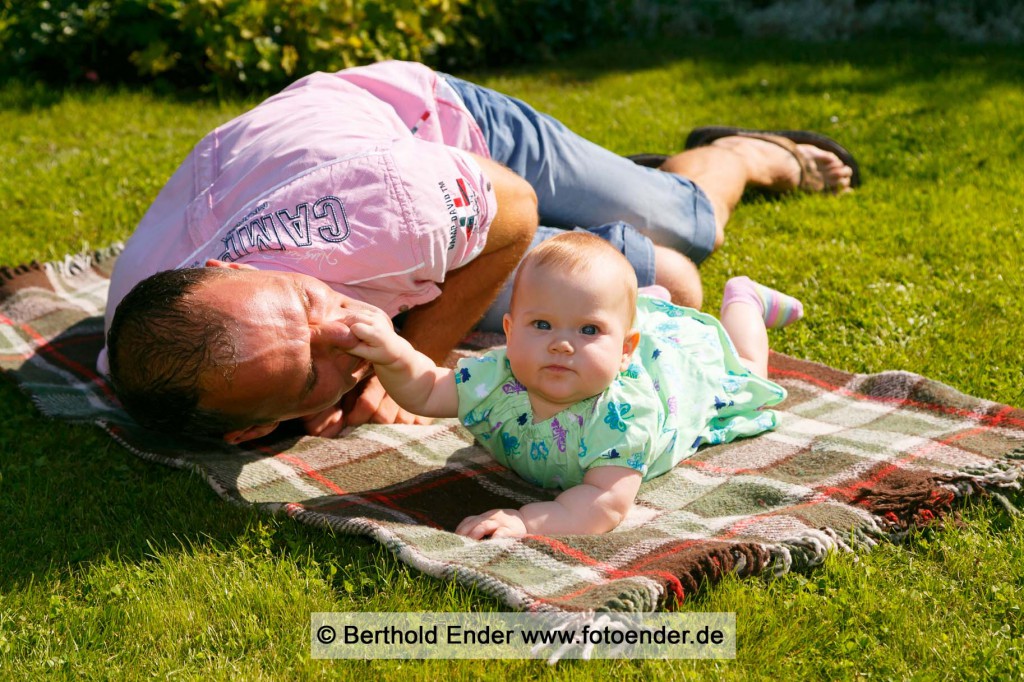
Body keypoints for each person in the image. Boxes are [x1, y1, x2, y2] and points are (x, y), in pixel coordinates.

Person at [102, 60, 857, 442]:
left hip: (447, 128)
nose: (344, 329)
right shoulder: (146, 340)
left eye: (305, 300)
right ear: (252, 430)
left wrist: (408, 366)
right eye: (310, 370)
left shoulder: (387, 213)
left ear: (227, 268)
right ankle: (619, 183)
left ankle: (744, 153)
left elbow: (511, 209)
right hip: (385, 180)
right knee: (656, 285)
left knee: (686, 236)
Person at [341, 231, 804, 538]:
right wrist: (391, 352)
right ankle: (628, 309)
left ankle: (745, 299)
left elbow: (603, 503)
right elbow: (425, 389)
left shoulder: (624, 416)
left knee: (747, 372)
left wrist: (526, 521)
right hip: (625, 338)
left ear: (625, 350)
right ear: (508, 332)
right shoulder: (497, 375)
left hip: (675, 371)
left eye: (586, 331)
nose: (561, 345)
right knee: (597, 307)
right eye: (541, 324)